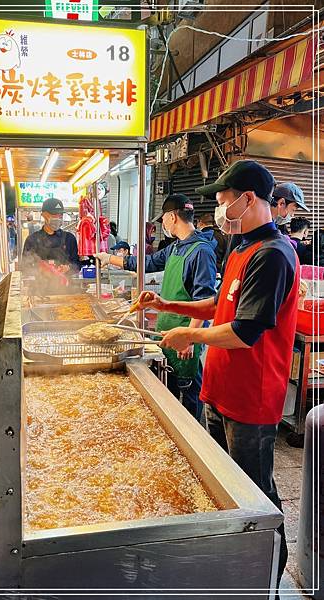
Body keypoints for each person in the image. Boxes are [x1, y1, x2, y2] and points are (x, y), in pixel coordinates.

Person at [136, 161, 298, 592]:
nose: (220, 211)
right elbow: (218, 307)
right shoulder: (239, 248)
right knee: (224, 490)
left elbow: (245, 332)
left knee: (255, 496)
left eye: (225, 202)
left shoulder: (274, 256)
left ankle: (266, 580)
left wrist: (189, 334)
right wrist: (169, 305)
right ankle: (232, 574)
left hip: (252, 399)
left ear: (249, 200)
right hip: (220, 388)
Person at [96, 194, 217, 421]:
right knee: (169, 396)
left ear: (172, 217)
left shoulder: (201, 251)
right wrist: (108, 258)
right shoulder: (176, 248)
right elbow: (146, 263)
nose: (164, 224)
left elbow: (206, 300)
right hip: (166, 331)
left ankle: (193, 440)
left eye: (164, 220)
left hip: (185, 334)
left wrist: (190, 337)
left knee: (189, 394)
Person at [23, 198, 81, 272]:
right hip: (39, 283)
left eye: (60, 215)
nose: (57, 217)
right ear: (43, 215)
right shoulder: (32, 240)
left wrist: (68, 267)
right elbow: (25, 267)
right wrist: (40, 269)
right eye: (54, 214)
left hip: (65, 282)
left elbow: (77, 264)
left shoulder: (69, 238)